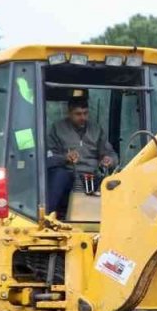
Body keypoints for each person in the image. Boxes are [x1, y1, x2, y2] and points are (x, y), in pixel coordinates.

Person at [45, 90, 117, 218]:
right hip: (69, 176)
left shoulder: (96, 129)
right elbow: (48, 158)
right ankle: (47, 215)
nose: (82, 117)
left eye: (85, 113)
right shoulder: (57, 128)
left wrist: (109, 159)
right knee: (59, 176)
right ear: (69, 113)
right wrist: (65, 158)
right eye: (78, 114)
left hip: (94, 176)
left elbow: (110, 152)